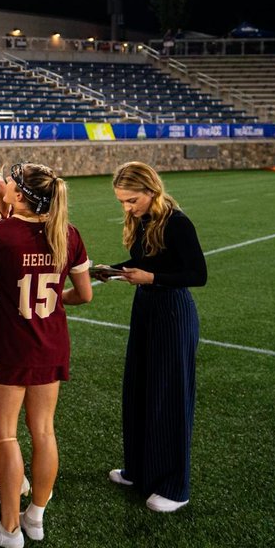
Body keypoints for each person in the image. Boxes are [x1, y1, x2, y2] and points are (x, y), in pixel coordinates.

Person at [0, 162, 93, 547]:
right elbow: (84, 294)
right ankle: (35, 516)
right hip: (51, 341)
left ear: (21, 195)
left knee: (5, 437)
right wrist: (57, 299)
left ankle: (8, 529)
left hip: (10, 344)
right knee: (43, 430)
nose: (5, 183)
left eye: (11, 182)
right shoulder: (68, 234)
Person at [95, 161, 206, 513]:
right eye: (122, 202)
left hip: (172, 313)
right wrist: (113, 271)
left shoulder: (177, 222)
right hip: (146, 310)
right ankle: (140, 470)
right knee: (139, 389)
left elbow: (197, 274)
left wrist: (152, 280)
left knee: (168, 397)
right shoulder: (144, 221)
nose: (127, 208)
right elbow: (144, 260)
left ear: (150, 190)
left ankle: (175, 487)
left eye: (132, 200)